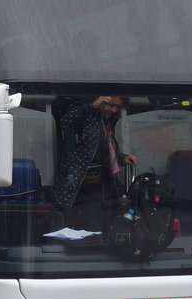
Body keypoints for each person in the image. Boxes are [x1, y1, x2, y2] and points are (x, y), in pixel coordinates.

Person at [52, 96, 137, 230]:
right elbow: (67, 121)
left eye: (118, 107)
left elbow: (105, 148)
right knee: (71, 220)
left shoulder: (106, 121)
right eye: (111, 105)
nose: (114, 110)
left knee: (95, 220)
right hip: (77, 180)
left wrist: (121, 158)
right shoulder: (86, 114)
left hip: (98, 183)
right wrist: (93, 106)